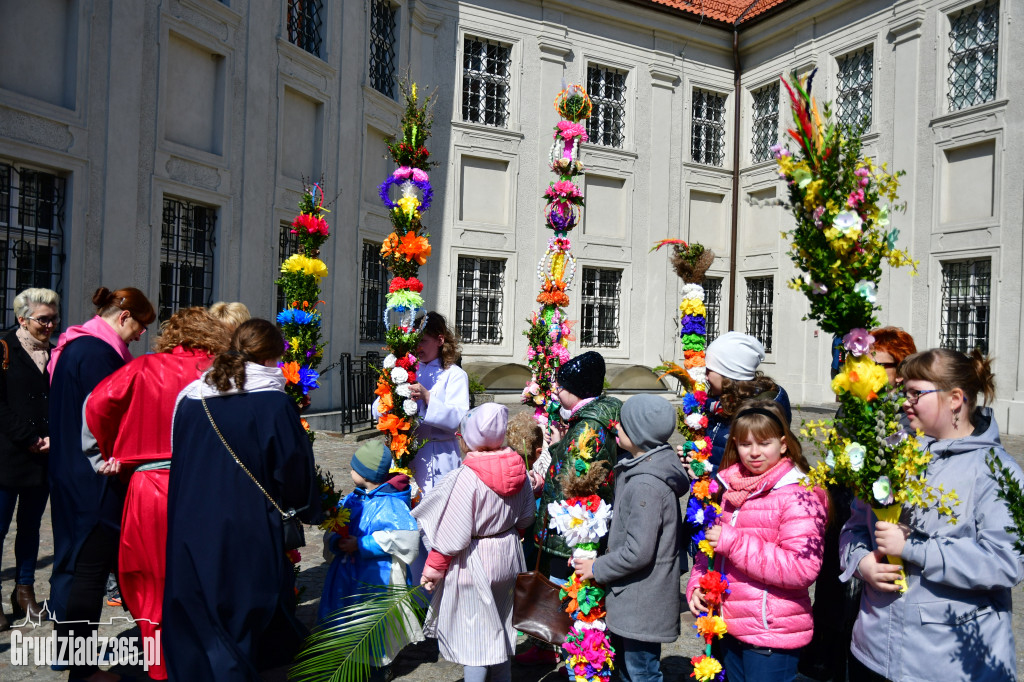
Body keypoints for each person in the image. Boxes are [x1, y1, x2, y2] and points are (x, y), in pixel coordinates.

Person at [839, 348, 1024, 682]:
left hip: (945, 664)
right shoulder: (890, 456)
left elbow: (1006, 561)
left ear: (955, 398)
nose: (904, 401)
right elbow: (854, 527)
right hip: (873, 649)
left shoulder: (996, 471)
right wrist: (862, 563)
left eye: (915, 393)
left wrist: (914, 549)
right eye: (903, 391)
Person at [163, 319, 319, 681]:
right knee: (239, 612)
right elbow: (293, 467)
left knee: (198, 609)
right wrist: (305, 507)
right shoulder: (272, 401)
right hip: (244, 526)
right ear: (272, 357)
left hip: (190, 523)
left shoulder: (192, 397)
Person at [83, 307, 230, 680]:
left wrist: (110, 450)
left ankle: (159, 665)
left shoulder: (144, 367)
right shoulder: (223, 371)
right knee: (207, 575)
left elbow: (97, 405)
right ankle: (205, 656)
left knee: (148, 579)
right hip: (206, 485)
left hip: (149, 487)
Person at [48, 286, 154, 682]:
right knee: (87, 574)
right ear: (123, 317)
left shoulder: (75, 344)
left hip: (70, 471)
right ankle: (82, 668)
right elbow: (106, 416)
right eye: (140, 325)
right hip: (93, 477)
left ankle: (77, 659)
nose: (141, 334)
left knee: (81, 568)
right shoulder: (97, 353)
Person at [801, 326, 917, 682]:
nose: (872, 372)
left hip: (879, 523)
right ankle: (823, 663)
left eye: (882, 365)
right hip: (843, 513)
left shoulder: (907, 417)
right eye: (867, 363)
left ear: (902, 369)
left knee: (855, 605)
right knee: (833, 596)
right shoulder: (853, 408)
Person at [686, 400, 828, 682]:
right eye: (745, 444)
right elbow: (710, 547)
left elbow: (801, 569)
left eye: (764, 443)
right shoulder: (731, 487)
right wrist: (697, 585)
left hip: (770, 635)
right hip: (729, 626)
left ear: (783, 444)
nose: (754, 453)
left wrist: (734, 543)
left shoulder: (798, 495)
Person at [413, 403, 536, 682]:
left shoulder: (466, 477)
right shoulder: (519, 470)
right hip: (509, 554)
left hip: (474, 559)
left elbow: (452, 534)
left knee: (476, 637)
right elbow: (527, 517)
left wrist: (433, 568)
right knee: (503, 625)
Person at [573, 394, 688, 682]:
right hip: (635, 597)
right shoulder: (643, 468)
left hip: (642, 600)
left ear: (639, 434)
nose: (615, 428)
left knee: (641, 673)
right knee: (628, 669)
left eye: (622, 425)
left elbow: (639, 551)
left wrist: (597, 568)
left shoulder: (646, 484)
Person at [520, 351, 620, 666]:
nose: (556, 392)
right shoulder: (596, 414)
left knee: (563, 585)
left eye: (559, 386)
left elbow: (575, 478)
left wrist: (550, 465)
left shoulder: (589, 426)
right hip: (576, 519)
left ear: (574, 389)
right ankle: (554, 642)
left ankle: (565, 645)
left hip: (574, 524)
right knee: (561, 582)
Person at [318, 440, 421, 680]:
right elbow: (337, 525)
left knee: (372, 627)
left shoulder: (392, 504)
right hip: (346, 576)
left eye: (353, 468)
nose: (350, 471)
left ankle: (377, 668)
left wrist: (363, 544)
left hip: (375, 580)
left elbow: (405, 539)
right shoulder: (352, 500)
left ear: (364, 473)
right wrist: (335, 540)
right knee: (346, 621)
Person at [0, 288, 60, 629]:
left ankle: (24, 590)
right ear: (22, 319)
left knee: (31, 527)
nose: (49, 325)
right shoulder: (5, 348)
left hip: (42, 459)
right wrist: (28, 437)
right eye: (43, 319)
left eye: (53, 318)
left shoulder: (54, 354)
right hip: (8, 457)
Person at [694, 331, 791, 469]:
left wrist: (709, 474)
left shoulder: (755, 414)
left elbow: (752, 470)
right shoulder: (718, 403)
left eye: (709, 370)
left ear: (727, 374)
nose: (706, 377)